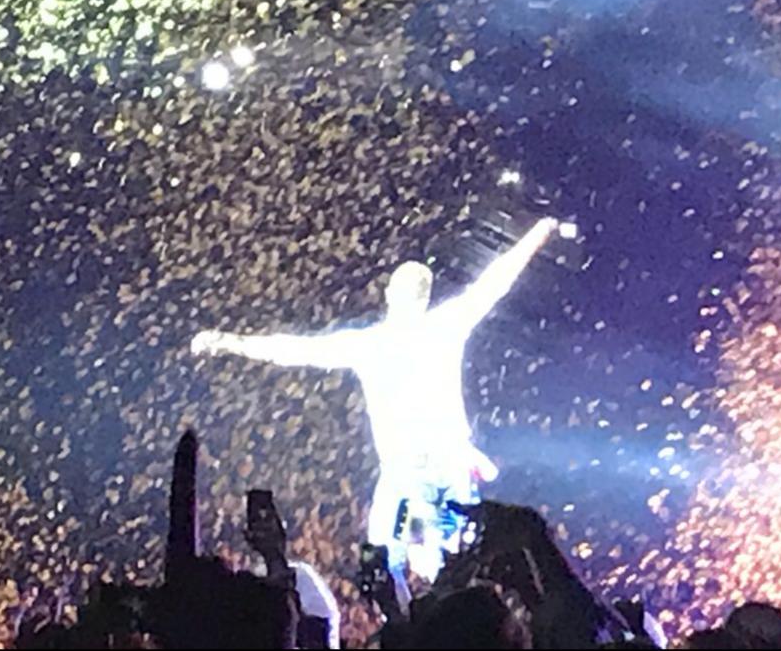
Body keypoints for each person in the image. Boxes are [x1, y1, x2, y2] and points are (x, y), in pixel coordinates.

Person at [193, 217, 563, 605]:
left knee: (392, 556)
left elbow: (293, 350)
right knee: (423, 554)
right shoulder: (445, 324)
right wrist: (538, 233)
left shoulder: (370, 344)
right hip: (442, 468)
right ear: (425, 296)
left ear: (389, 293)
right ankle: (440, 603)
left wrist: (227, 341)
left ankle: (424, 610)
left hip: (414, 474)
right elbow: (497, 280)